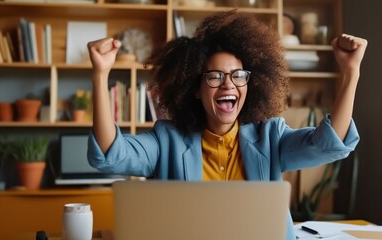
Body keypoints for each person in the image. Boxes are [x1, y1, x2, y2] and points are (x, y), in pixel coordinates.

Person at [87, 10, 367, 240]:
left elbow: (329, 144)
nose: (228, 84)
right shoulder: (167, 140)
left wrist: (351, 73)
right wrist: (100, 75)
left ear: (251, 82)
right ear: (195, 88)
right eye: (215, 76)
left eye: (237, 75)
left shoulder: (270, 137)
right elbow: (111, 153)